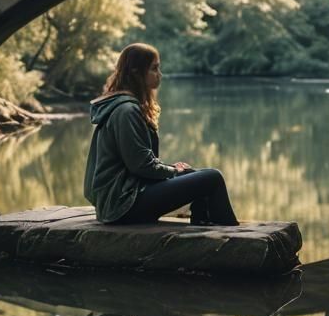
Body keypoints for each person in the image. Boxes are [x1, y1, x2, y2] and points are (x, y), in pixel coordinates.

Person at [83, 42, 239, 226]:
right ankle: (230, 231)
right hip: (124, 205)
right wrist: (173, 171)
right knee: (212, 178)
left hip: (127, 196)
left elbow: (138, 162)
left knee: (196, 174)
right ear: (135, 72)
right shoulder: (126, 111)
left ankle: (203, 224)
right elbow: (141, 166)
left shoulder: (126, 106)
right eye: (154, 68)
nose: (160, 74)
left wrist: (175, 170)